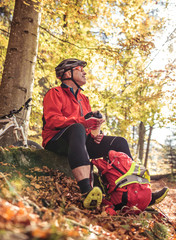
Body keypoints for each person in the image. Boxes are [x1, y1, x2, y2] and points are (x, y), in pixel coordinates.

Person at [42, 58, 168, 209]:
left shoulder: (84, 98)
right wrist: (82, 123)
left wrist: (95, 134)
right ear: (66, 73)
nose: (84, 72)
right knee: (77, 128)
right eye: (79, 69)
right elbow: (52, 121)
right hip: (56, 141)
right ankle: (86, 191)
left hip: (79, 140)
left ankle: (137, 192)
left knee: (119, 142)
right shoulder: (54, 93)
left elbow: (85, 127)